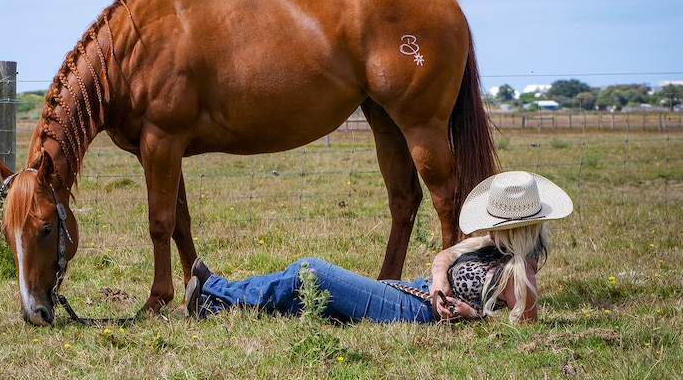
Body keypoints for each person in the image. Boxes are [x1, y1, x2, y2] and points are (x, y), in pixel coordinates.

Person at [183, 170, 573, 324]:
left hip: (414, 312)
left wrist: (473, 315)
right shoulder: (491, 244)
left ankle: (216, 288)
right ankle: (214, 307)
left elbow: (523, 329)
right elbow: (444, 255)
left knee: (311, 269)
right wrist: (439, 282)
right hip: (416, 291)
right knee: (308, 300)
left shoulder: (520, 271)